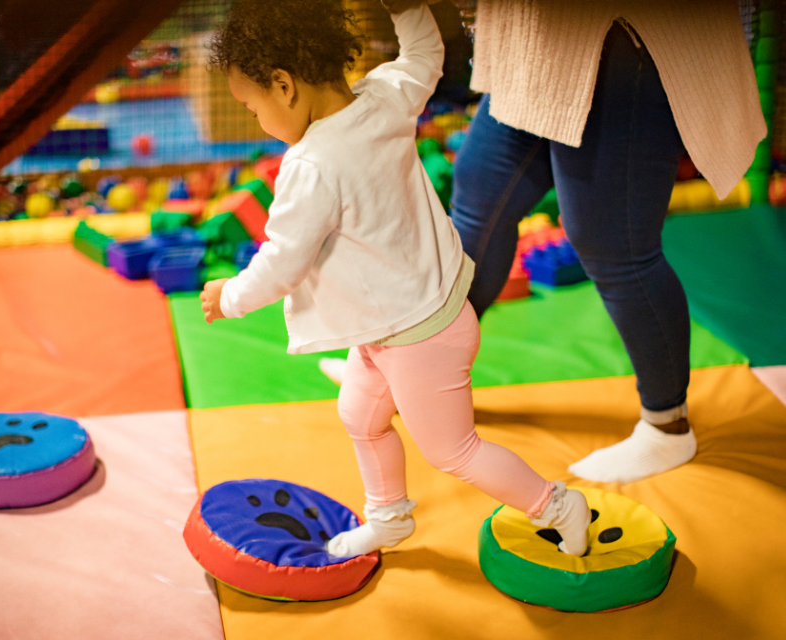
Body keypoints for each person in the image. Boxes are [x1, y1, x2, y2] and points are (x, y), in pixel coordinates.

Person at [200, 0, 591, 558]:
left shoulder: (311, 167)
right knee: (359, 414)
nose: (256, 122)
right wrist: (406, 8)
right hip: (405, 319)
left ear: (283, 85)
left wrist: (229, 295)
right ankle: (388, 517)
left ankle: (555, 504)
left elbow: (282, 262)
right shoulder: (384, 96)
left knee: (453, 451)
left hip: (418, 336)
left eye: (252, 107)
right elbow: (426, 54)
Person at [450, 0, 765, 484]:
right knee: (480, 195)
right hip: (539, 36)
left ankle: (668, 425)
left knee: (614, 241)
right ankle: (429, 372)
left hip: (624, 31)